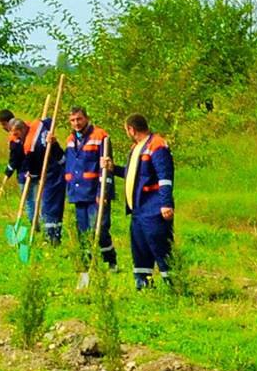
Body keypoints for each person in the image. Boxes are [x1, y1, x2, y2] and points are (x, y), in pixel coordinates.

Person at [119, 115, 174, 289]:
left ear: (131, 129)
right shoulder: (136, 148)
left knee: (159, 244)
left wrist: (166, 203)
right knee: (140, 247)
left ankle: (173, 283)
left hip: (153, 207)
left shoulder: (156, 145)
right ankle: (143, 284)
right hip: (138, 209)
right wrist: (113, 169)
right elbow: (133, 175)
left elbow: (165, 177)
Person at [58, 106, 114, 259]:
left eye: (79, 119)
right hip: (78, 192)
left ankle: (110, 260)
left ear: (86, 118)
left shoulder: (100, 136)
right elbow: (65, 162)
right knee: (83, 231)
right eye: (72, 120)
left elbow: (107, 168)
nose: (76, 123)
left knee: (100, 228)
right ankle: (87, 262)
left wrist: (104, 192)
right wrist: (54, 146)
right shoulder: (70, 140)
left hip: (95, 192)